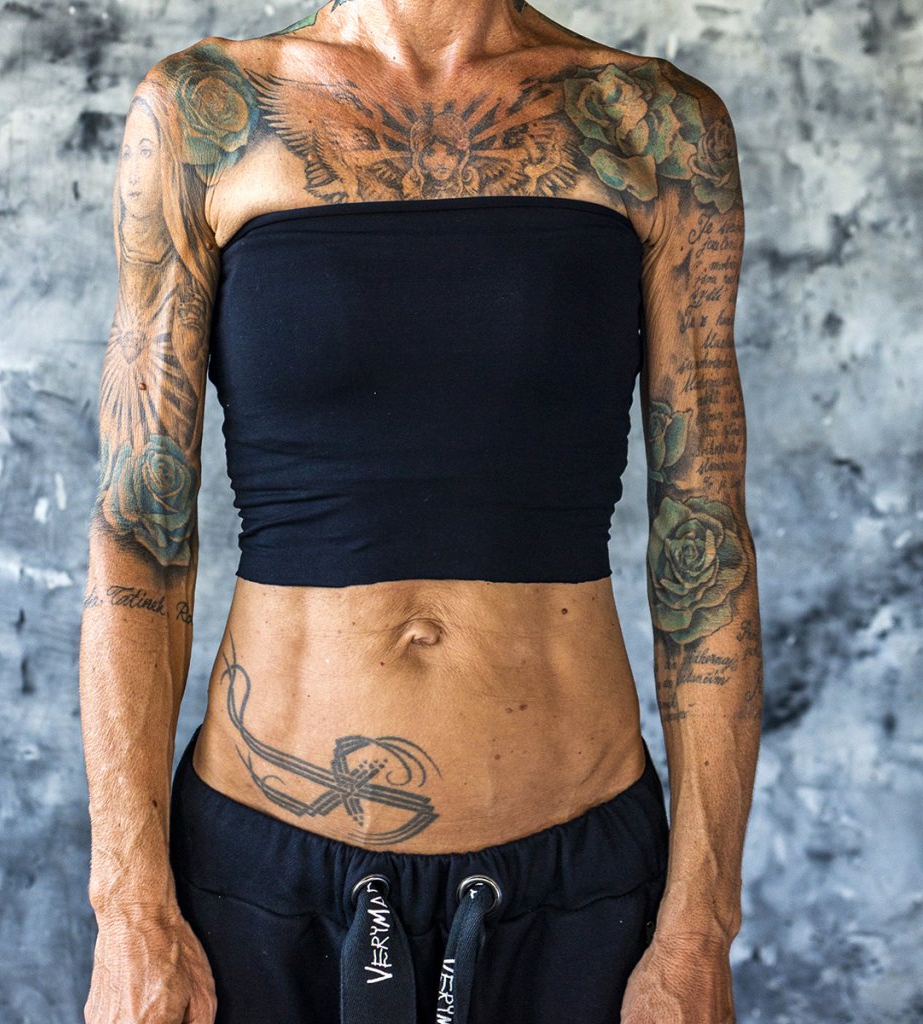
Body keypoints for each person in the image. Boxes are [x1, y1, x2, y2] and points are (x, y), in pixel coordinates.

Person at [78, 1, 763, 1022]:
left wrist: (701, 923)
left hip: (576, 884)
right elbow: (139, 531)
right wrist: (128, 904)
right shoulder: (206, 111)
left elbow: (704, 539)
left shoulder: (653, 123)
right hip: (263, 877)